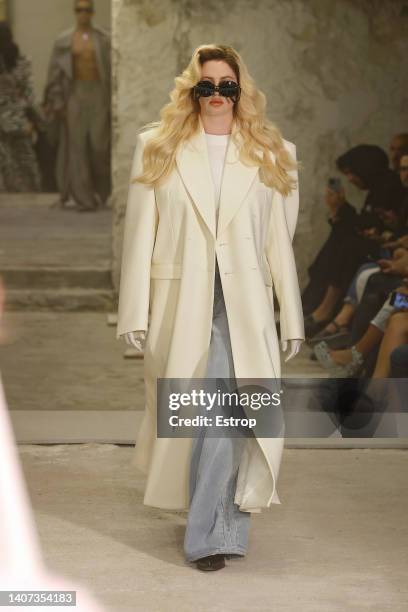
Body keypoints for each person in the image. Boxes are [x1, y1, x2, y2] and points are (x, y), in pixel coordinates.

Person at [116, 44, 305, 571]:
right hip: (185, 299)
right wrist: (134, 311)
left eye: (227, 86)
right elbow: (140, 236)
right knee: (206, 413)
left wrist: (290, 313)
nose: (217, 95)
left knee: (228, 412)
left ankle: (209, 536)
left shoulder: (275, 152)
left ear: (241, 91)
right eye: (207, 86)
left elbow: (278, 244)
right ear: (192, 91)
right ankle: (217, 531)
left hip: (241, 301)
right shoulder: (158, 146)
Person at [43, 0, 111, 211]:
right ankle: (84, 199)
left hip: (98, 93)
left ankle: (103, 191)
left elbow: (111, 70)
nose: (83, 14)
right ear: (75, 12)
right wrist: (56, 100)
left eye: (87, 10)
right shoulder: (65, 40)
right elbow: (55, 72)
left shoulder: (102, 38)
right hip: (75, 93)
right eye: (79, 10)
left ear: (92, 13)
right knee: (77, 146)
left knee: (99, 146)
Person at [0, 21, 41, 192]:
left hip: (6, 122)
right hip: (19, 121)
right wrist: (35, 121)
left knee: (9, 165)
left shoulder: (17, 62)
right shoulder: (22, 61)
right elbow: (30, 95)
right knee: (25, 163)